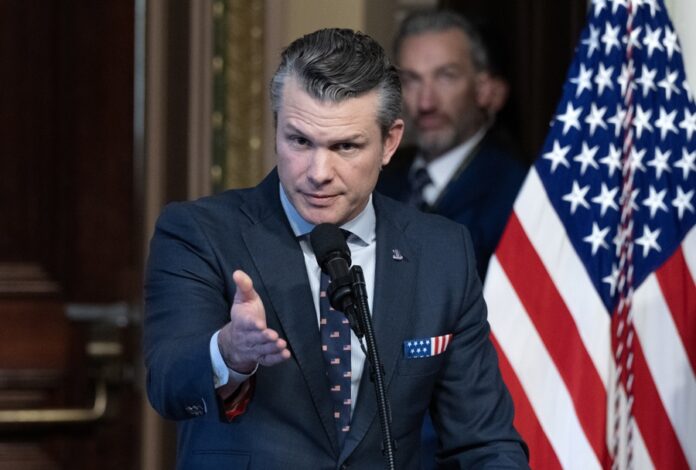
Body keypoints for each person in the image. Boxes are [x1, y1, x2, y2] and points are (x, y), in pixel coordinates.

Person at [144, 27, 528, 469]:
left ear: (389, 142)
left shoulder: (440, 252)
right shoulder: (200, 233)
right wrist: (229, 351)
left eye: (345, 146)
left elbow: (484, 443)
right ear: (276, 128)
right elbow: (168, 384)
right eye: (300, 141)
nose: (318, 171)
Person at [377, 9, 528, 281]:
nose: (426, 103)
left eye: (446, 76)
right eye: (411, 80)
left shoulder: (516, 191)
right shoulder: (379, 178)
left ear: (483, 89)